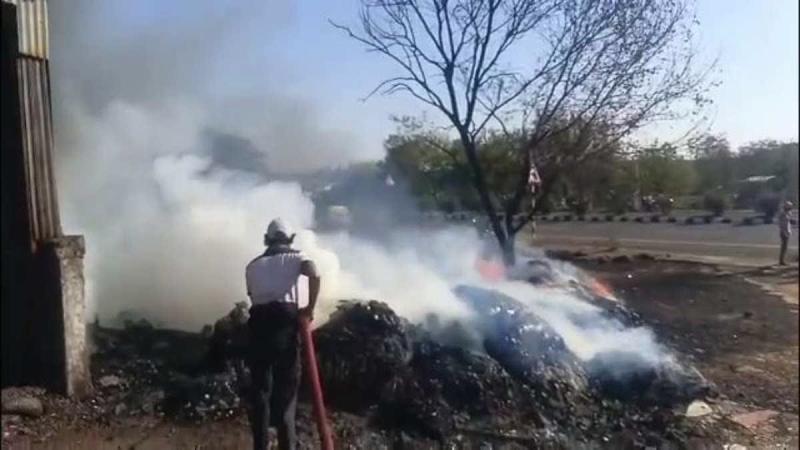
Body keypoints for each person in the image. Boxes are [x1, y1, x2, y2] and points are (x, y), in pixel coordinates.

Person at [244, 219, 321, 450]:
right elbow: (314, 273)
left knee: (261, 394)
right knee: (286, 394)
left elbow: (252, 296)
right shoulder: (296, 256)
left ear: (266, 239)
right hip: (284, 327)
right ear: (291, 239)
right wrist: (309, 309)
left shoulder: (252, 266)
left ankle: (261, 445)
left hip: (257, 329)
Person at [778, 201, 794, 266]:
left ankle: (782, 260)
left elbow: (789, 221)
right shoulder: (782, 213)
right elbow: (781, 223)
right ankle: (781, 261)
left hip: (787, 231)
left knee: (785, 247)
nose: (790, 208)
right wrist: (784, 231)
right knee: (784, 247)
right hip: (783, 231)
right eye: (789, 207)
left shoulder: (789, 213)